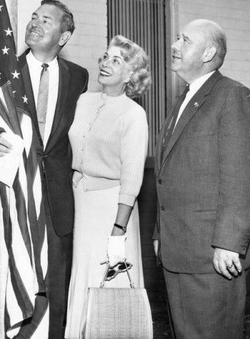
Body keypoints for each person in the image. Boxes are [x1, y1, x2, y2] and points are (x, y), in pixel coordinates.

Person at [0, 0, 89, 338]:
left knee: (54, 285)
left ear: (64, 37)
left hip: (59, 197)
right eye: (33, 17)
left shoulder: (78, 78)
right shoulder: (1, 70)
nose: (35, 23)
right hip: (14, 196)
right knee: (16, 284)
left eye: (47, 20)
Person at [154, 19, 250, 339]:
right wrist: (160, 232)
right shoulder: (184, 98)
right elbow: (170, 175)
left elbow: (240, 173)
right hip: (179, 251)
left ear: (208, 52)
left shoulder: (232, 95)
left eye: (185, 40)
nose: (174, 45)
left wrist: (228, 242)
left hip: (212, 258)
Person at [64, 35, 151, 338]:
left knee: (110, 286)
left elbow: (132, 177)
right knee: (84, 276)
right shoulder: (85, 100)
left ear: (131, 75)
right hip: (82, 203)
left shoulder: (133, 115)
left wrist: (119, 230)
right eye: (104, 56)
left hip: (112, 208)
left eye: (117, 60)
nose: (105, 63)